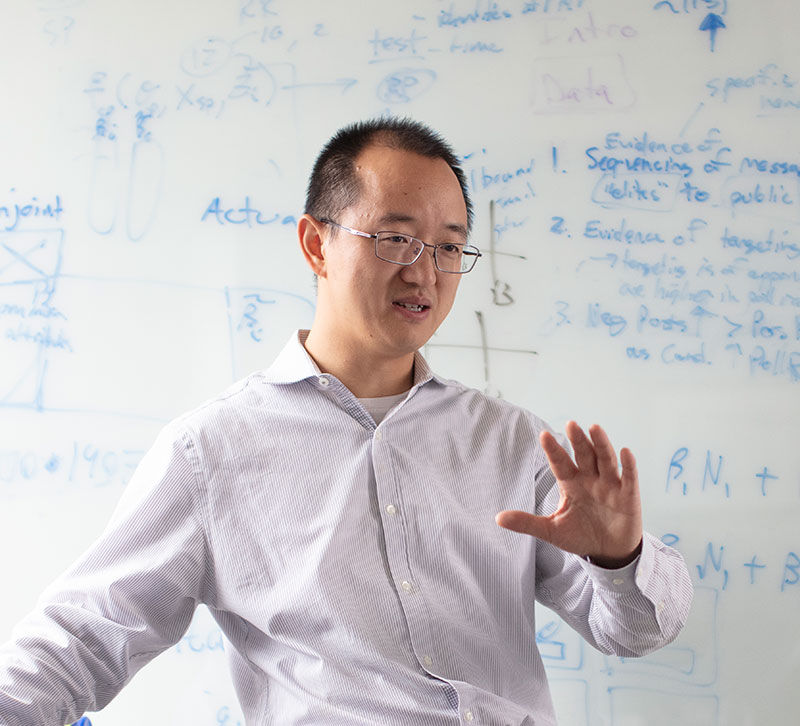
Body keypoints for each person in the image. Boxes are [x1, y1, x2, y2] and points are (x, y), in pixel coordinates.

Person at [0, 118, 692, 726]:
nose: (425, 272)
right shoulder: (211, 451)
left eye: (449, 247)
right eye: (396, 238)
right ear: (315, 245)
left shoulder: (510, 442)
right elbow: (85, 634)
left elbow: (634, 632)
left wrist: (617, 558)